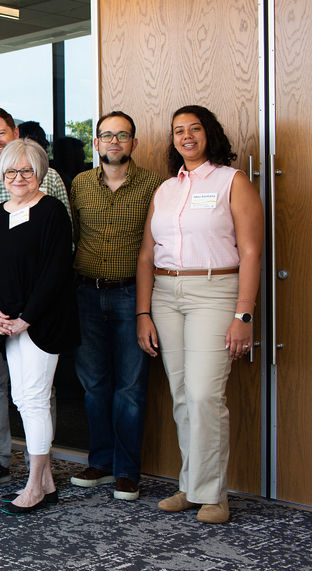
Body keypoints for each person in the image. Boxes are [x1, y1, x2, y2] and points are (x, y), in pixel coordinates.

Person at [137, 105, 263, 524]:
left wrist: (243, 314)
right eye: (178, 130)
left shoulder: (233, 181)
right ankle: (191, 486)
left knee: (206, 395)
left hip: (215, 290)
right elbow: (146, 256)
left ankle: (214, 495)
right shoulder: (166, 189)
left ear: (209, 133)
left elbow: (250, 252)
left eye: (194, 129)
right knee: (181, 394)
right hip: (167, 293)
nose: (186, 136)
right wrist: (143, 311)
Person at [0, 107, 72, 489]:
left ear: (39, 172)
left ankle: (38, 476)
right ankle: (21, 471)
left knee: (36, 396)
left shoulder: (52, 204)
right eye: (11, 172)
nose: (19, 178)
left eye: (26, 171)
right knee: (14, 393)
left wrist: (25, 317)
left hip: (38, 320)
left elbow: (57, 266)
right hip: (2, 318)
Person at [69, 111, 162, 501]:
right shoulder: (79, 184)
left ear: (134, 144)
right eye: (106, 135)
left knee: (130, 387)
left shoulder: (155, 185)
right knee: (93, 385)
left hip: (131, 296)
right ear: (96, 143)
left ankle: (127, 470)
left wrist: (143, 308)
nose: (113, 142)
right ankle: (101, 462)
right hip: (85, 294)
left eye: (122, 136)